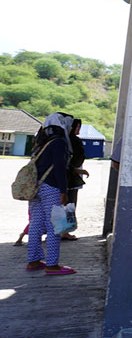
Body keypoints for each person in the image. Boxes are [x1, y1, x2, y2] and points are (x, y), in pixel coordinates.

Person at [26, 112, 76, 275]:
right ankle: (52, 264)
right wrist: (64, 191)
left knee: (36, 224)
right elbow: (60, 168)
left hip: (35, 187)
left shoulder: (40, 141)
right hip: (51, 187)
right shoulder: (59, 142)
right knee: (55, 224)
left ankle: (33, 261)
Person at [63, 119, 89, 241]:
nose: (79, 129)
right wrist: (78, 171)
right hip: (71, 179)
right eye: (77, 126)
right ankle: (65, 231)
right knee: (70, 205)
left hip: (63, 178)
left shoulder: (62, 140)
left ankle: (61, 230)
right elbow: (74, 160)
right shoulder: (73, 141)